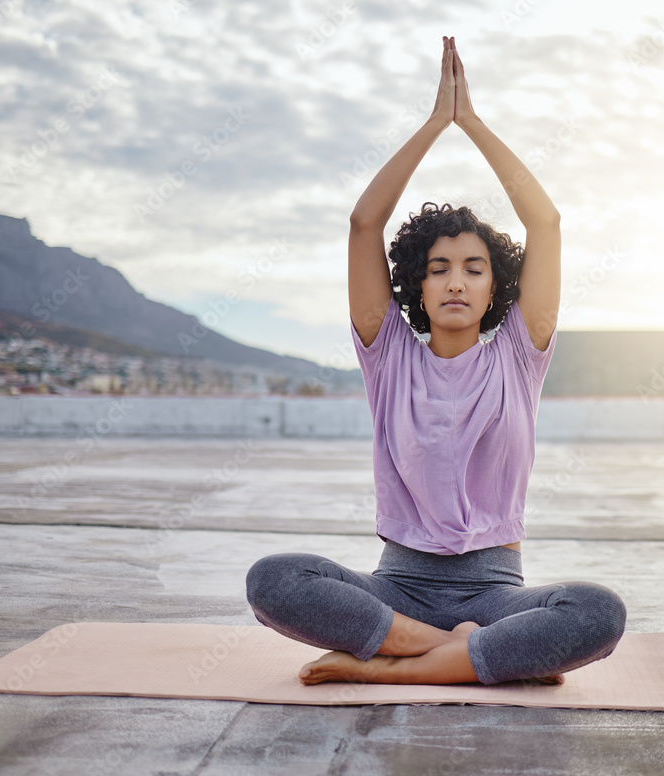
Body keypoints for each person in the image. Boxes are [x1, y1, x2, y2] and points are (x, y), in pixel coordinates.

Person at [246, 36, 625, 686]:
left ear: (494, 286)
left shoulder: (519, 351)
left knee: (597, 612)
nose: (455, 281)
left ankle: (392, 666)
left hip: (496, 591)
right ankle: (466, 656)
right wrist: (432, 125)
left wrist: (471, 122)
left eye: (473, 269)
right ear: (416, 288)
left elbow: (548, 225)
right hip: (400, 587)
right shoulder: (388, 354)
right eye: (439, 268)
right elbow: (365, 224)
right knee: (273, 580)